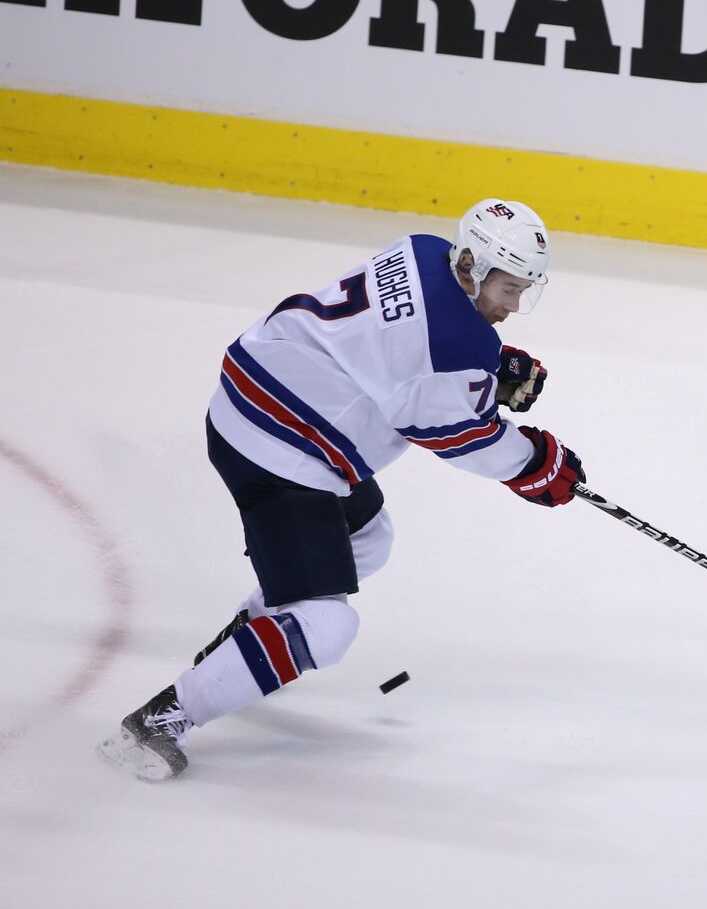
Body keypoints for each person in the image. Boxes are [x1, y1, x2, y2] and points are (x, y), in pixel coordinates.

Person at [100, 199, 585, 781]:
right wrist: (535, 463)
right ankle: (158, 722)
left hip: (256, 393)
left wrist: (484, 369)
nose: (511, 306)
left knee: (368, 538)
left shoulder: (423, 250)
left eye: (523, 291)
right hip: (279, 450)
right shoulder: (455, 346)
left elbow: (392, 347)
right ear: (473, 268)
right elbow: (460, 436)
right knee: (328, 628)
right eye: (506, 289)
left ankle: (240, 647)